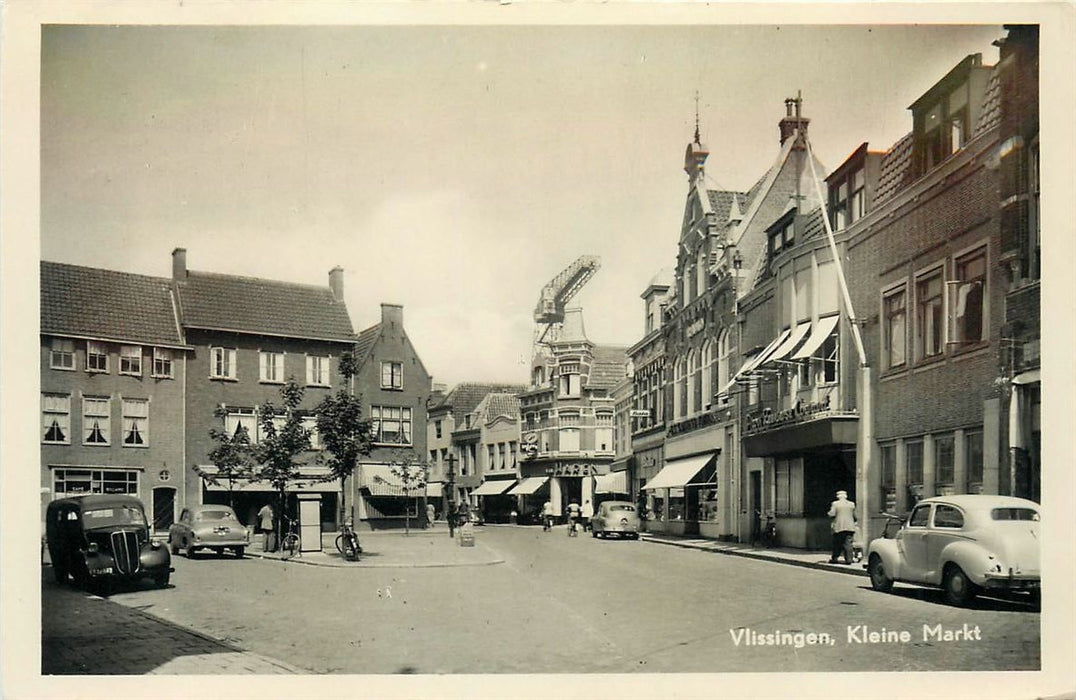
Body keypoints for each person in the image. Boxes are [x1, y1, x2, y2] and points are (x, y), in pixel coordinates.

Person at [828, 490, 857, 564]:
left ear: (838, 496)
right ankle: (849, 559)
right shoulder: (851, 504)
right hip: (850, 526)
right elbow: (855, 515)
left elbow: (832, 514)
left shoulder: (835, 504)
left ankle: (835, 558)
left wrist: (828, 513)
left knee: (837, 543)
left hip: (839, 526)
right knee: (848, 543)